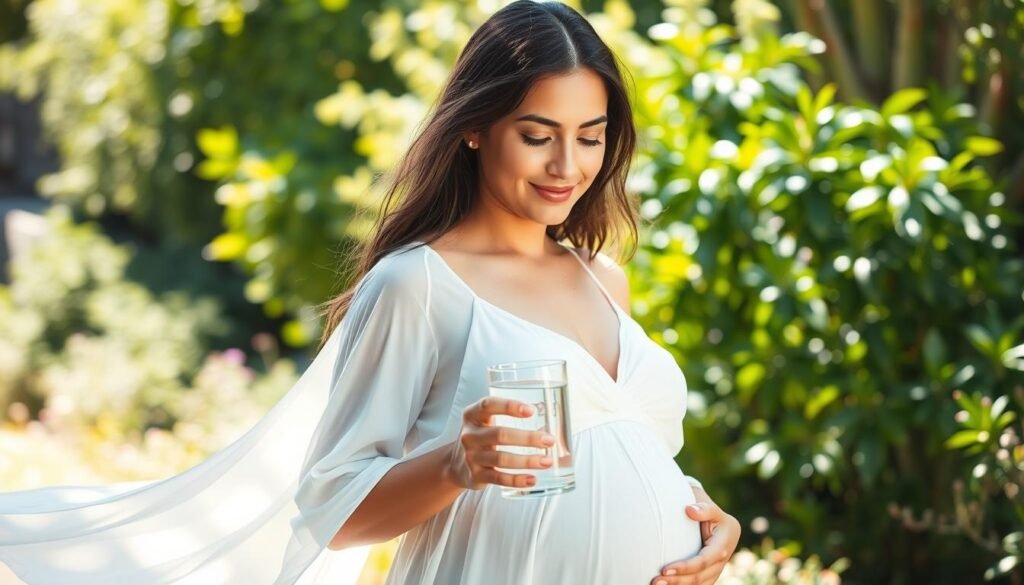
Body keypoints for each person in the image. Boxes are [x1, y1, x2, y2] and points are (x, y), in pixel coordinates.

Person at [0, 1, 740, 584]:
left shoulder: (602, 277)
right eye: (537, 133)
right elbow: (333, 504)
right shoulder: (418, 283)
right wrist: (459, 462)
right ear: (477, 128)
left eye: (591, 134)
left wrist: (708, 524)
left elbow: (625, 450)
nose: (567, 164)